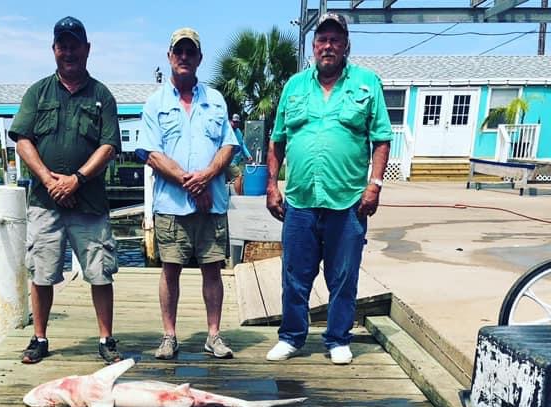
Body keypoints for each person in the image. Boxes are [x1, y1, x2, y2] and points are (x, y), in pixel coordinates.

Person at [265, 12, 391, 366]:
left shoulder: (367, 83)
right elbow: (277, 141)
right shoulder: (294, 86)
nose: (328, 46)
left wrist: (375, 185)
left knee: (343, 276)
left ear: (346, 45)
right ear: (313, 45)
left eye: (336, 39)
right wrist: (272, 185)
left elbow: (381, 139)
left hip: (348, 201)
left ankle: (338, 338)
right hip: (300, 201)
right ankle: (291, 337)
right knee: (294, 275)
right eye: (322, 39)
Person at [9, 16, 122, 365]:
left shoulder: (102, 95)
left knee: (100, 272)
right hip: (45, 202)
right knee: (41, 272)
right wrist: (49, 180)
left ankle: (106, 339)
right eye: (63, 46)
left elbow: (108, 146)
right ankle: (40, 338)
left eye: (74, 45)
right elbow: (22, 140)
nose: (68, 52)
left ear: (87, 49)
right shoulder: (37, 92)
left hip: (89, 202)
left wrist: (77, 179)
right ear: (54, 49)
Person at [138, 27, 238, 360]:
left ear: (199, 58)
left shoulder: (216, 99)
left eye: (190, 51)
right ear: (169, 56)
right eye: (178, 51)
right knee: (170, 269)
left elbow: (228, 146)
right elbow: (151, 154)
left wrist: (207, 177)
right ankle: (169, 336)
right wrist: (192, 184)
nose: (184, 57)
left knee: (213, 269)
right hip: (172, 205)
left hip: (212, 204)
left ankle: (214, 335)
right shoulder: (155, 103)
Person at [227, 113, 252, 194]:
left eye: (237, 122)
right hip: (228, 161)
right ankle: (238, 197)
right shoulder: (227, 131)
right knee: (238, 176)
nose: (235, 124)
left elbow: (242, 145)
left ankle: (236, 194)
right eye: (234, 122)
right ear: (230, 121)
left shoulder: (239, 132)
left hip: (236, 161)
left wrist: (248, 155)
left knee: (236, 178)